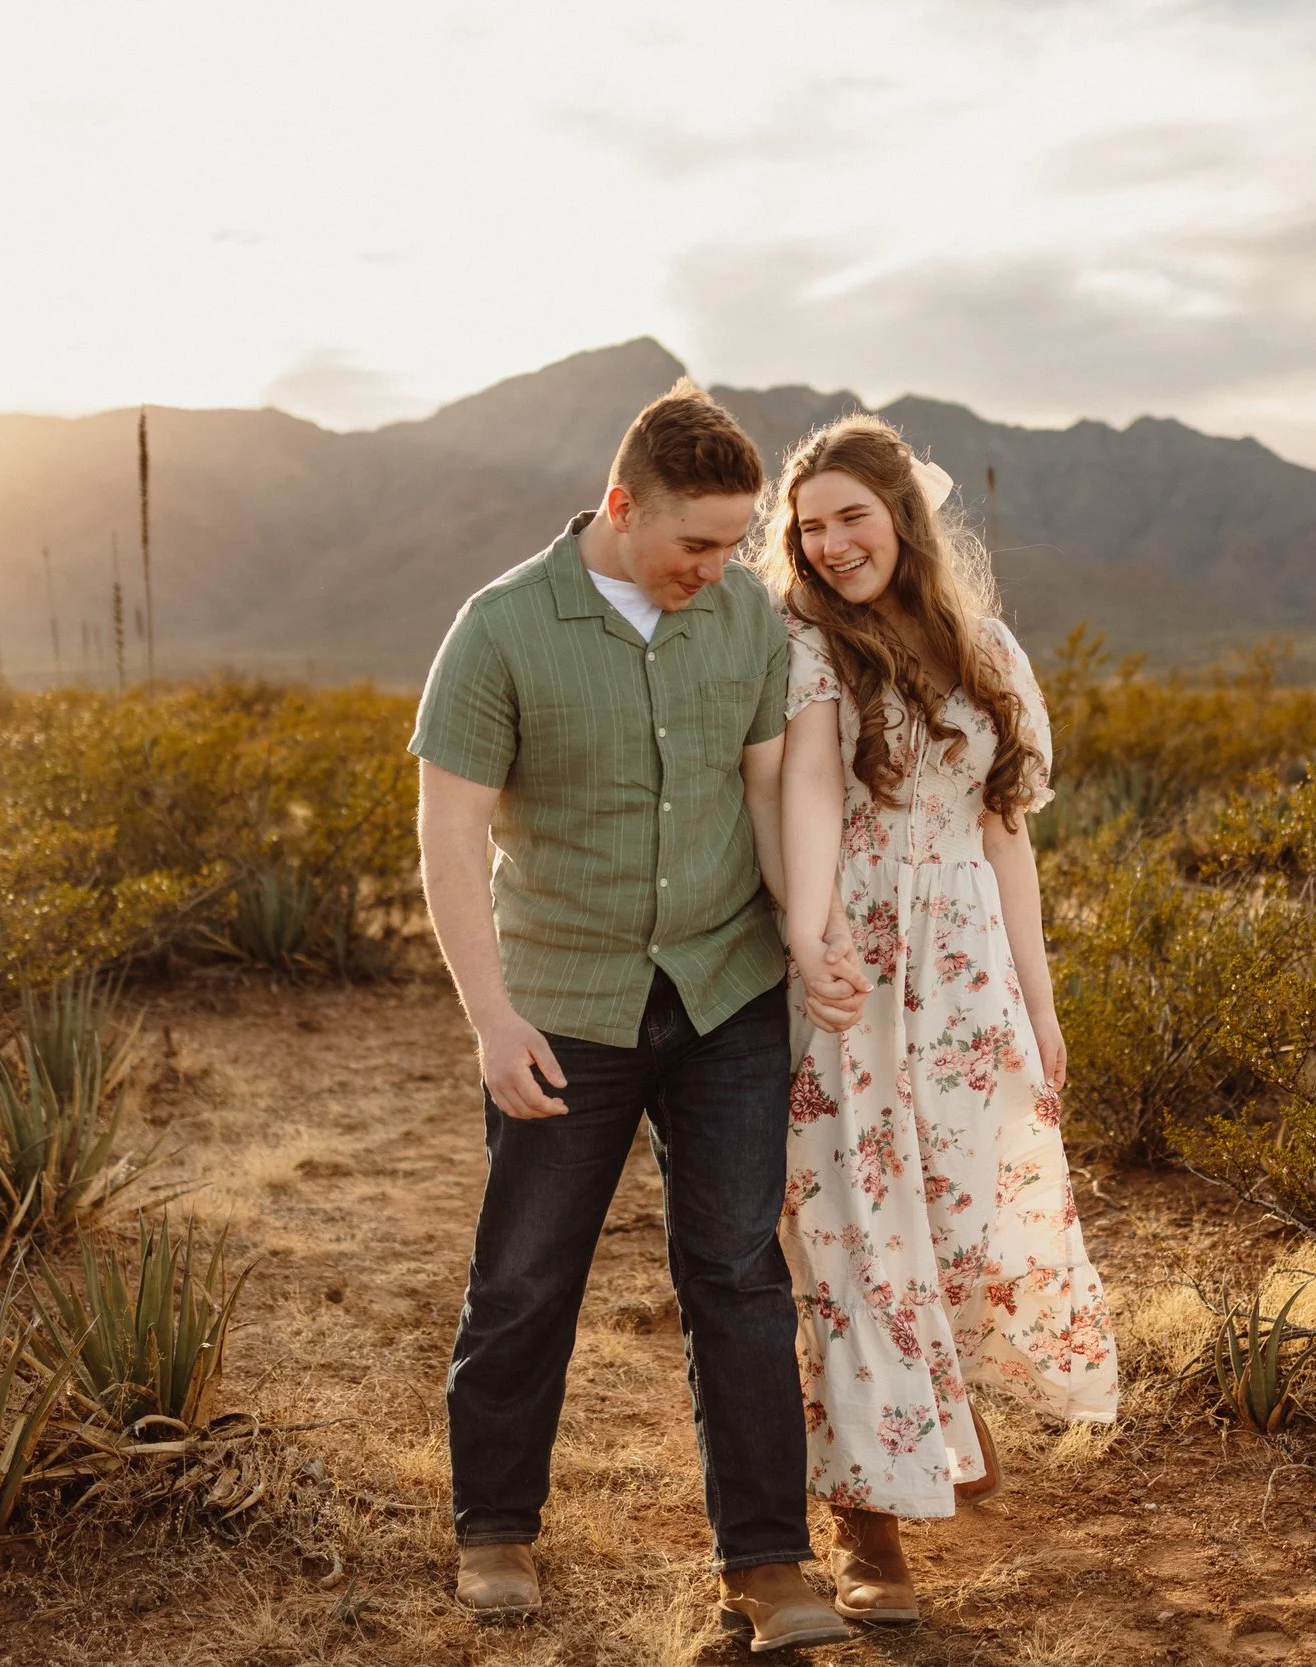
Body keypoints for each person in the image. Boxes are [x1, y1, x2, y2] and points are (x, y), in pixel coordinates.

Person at [410, 381, 868, 1652]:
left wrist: (802, 933)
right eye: (697, 544)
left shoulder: (742, 624)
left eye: (734, 543)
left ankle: (768, 1561)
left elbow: (773, 788)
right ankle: (494, 1524)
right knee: (526, 1273)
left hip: (725, 994)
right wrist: (490, 1017)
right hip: (566, 1004)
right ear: (621, 507)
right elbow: (448, 836)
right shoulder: (500, 627)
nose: (719, 568)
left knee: (734, 1271)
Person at [758, 412, 1119, 1625]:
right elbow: (808, 790)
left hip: (964, 973)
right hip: (856, 960)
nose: (828, 545)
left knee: (957, 1218)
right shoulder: (809, 646)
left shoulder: (987, 647)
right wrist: (813, 942)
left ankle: (934, 1423)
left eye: (849, 516)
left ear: (902, 516)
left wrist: (1039, 994)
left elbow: (1006, 830)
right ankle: (867, 1524)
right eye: (807, 529)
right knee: (856, 1228)